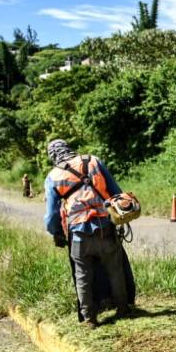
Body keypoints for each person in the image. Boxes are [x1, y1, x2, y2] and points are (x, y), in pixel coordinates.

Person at [44, 139, 130, 327]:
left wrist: (56, 233)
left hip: (78, 233)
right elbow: (116, 192)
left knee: (82, 274)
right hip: (105, 226)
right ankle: (123, 308)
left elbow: (51, 216)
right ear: (69, 149)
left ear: (52, 156)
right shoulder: (93, 161)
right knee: (115, 269)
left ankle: (90, 318)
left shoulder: (53, 176)